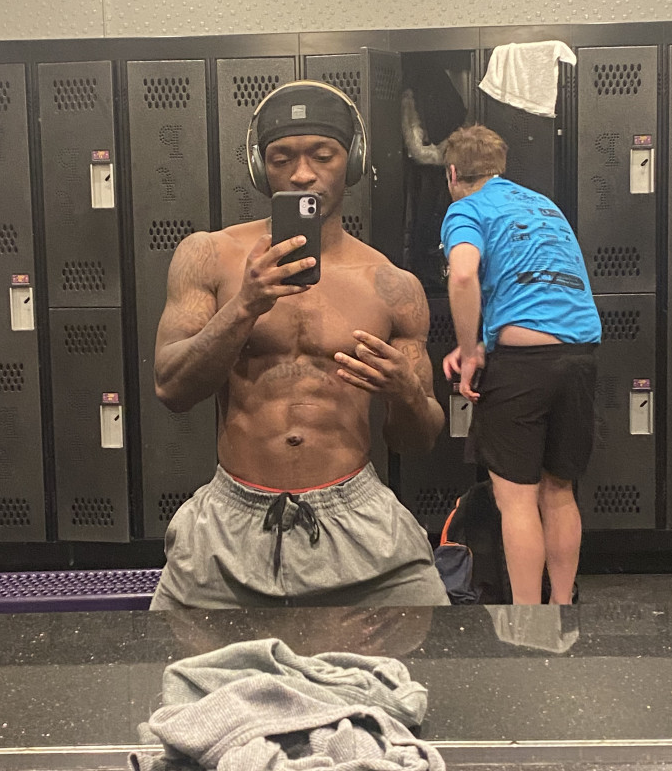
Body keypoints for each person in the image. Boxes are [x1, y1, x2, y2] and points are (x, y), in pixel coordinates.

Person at [150, 80, 450, 609]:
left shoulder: (391, 285)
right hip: (231, 523)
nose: (302, 173)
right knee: (173, 662)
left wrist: (405, 391)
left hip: (357, 517)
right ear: (259, 167)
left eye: (322, 155)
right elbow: (171, 388)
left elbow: (419, 439)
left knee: (433, 652)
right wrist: (245, 306)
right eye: (282, 157)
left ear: (351, 162)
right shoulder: (208, 256)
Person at [440, 124, 601, 605]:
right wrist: (483, 341)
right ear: (499, 167)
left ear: (453, 173)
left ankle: (529, 622)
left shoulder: (466, 208)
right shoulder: (542, 205)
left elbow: (463, 274)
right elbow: (535, 289)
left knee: (517, 500)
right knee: (559, 491)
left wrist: (469, 351)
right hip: (579, 356)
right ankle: (562, 607)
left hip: (523, 366)